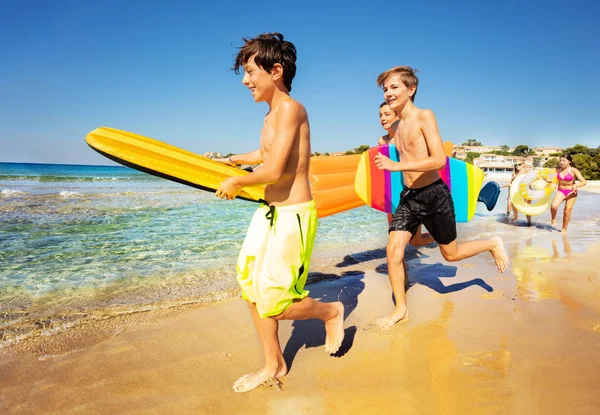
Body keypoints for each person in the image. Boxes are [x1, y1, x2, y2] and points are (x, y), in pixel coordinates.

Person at [214, 33, 344, 393]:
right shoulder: (272, 114)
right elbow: (264, 153)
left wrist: (237, 182)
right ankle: (274, 364)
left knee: (275, 302)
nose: (245, 81)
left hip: (292, 216)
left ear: (275, 70)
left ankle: (330, 312)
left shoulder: (291, 109)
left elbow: (275, 171)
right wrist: (234, 160)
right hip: (268, 213)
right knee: (252, 290)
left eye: (250, 71)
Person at [373, 66, 509, 328]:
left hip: (434, 196)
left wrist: (396, 167)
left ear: (411, 89)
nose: (389, 93)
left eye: (394, 87)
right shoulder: (397, 125)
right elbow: (392, 147)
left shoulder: (425, 116)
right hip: (409, 198)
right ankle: (401, 309)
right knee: (394, 251)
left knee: (452, 255)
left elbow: (437, 159)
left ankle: (491, 243)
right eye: (385, 89)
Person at [550, 154, 586, 233]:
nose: (562, 162)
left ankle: (564, 229)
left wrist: (575, 185)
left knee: (567, 210)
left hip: (571, 192)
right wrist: (547, 180)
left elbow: (584, 182)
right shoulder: (558, 169)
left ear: (569, 161)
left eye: (564, 161)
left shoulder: (573, 170)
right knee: (554, 206)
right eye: (560, 161)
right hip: (561, 191)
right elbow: (551, 179)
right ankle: (553, 219)